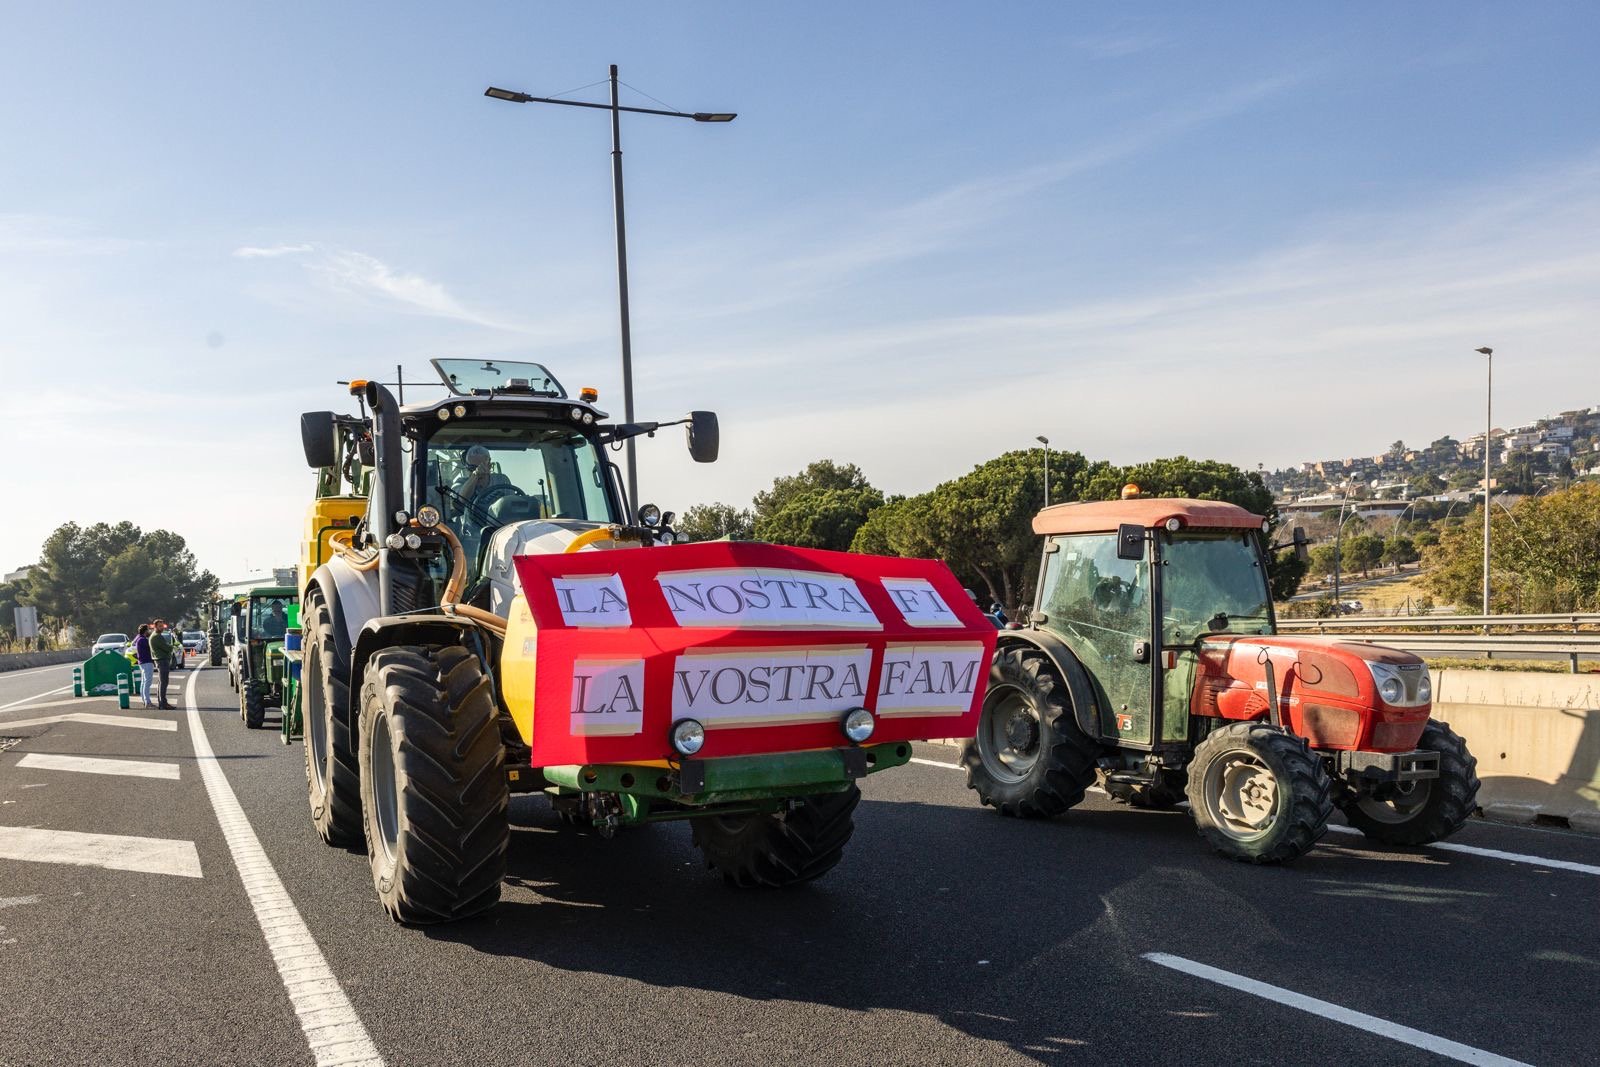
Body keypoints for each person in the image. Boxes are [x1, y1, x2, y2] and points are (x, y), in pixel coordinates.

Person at [149, 619, 177, 710]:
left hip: (161, 660)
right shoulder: (157, 636)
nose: (162, 628)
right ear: (155, 627)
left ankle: (162, 702)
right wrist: (171, 646)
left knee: (161, 682)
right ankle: (163, 704)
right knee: (164, 682)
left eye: (162, 626)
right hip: (162, 660)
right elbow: (167, 648)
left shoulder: (156, 635)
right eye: (160, 626)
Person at [132, 624, 156, 709]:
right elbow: (152, 648)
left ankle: (144, 700)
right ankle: (147, 702)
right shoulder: (143, 640)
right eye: (149, 630)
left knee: (144, 682)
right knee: (147, 682)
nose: (150, 631)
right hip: (146, 662)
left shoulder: (139, 638)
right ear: (145, 631)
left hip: (142, 662)